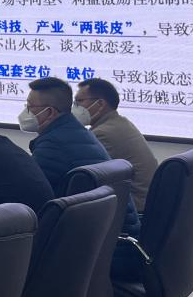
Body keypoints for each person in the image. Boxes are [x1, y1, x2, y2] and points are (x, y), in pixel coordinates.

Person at [22, 77, 139, 235]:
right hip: (112, 236)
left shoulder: (54, 145)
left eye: (29, 107)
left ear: (49, 112)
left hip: (106, 240)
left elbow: (32, 198)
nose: (25, 112)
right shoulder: (75, 132)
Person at [76, 78, 157, 211]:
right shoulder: (120, 123)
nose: (75, 107)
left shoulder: (103, 133)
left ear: (100, 104)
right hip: (146, 204)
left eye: (79, 101)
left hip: (133, 209)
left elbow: (85, 180)